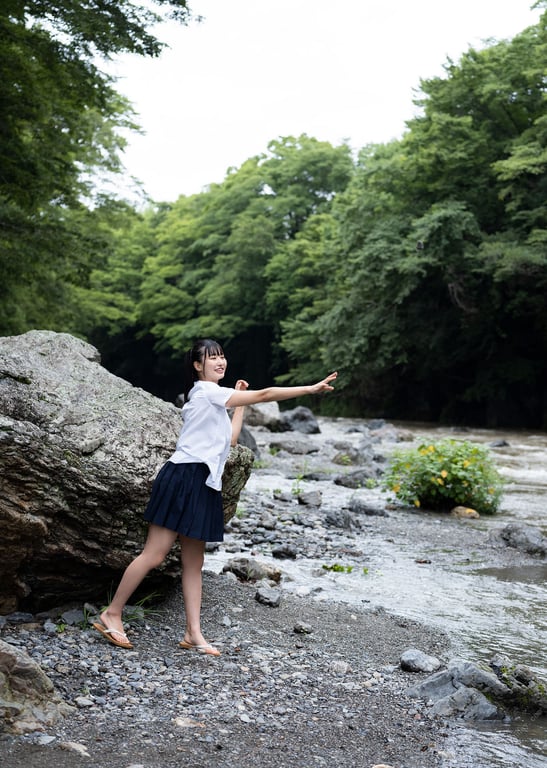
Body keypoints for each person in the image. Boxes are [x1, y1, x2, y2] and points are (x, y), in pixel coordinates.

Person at [93, 338, 337, 655]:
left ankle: (193, 633)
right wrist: (309, 389)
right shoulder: (205, 392)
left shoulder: (216, 400)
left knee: (194, 563)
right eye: (212, 358)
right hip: (183, 477)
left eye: (222, 356)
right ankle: (112, 613)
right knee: (154, 554)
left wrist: (239, 405)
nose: (220, 362)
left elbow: (232, 440)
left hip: (204, 482)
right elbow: (264, 394)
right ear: (198, 365)